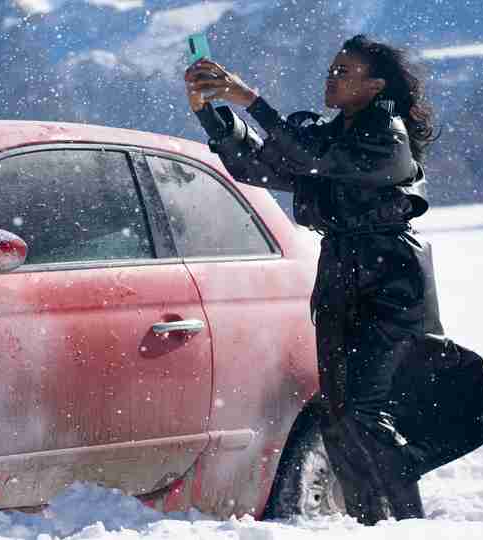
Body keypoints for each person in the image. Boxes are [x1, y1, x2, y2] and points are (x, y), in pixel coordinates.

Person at [184, 34, 444, 525]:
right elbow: (259, 166)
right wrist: (209, 111)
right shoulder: (329, 134)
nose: (332, 77)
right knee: (339, 415)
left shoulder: (385, 134)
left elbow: (308, 157)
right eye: (331, 68)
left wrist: (249, 99)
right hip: (341, 275)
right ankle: (373, 522)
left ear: (375, 85)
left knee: (369, 415)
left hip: (389, 279)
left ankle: (408, 524)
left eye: (345, 71)